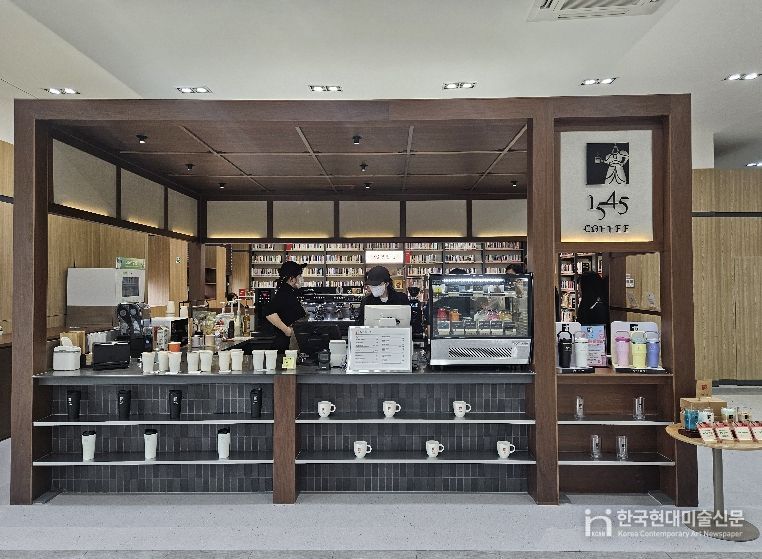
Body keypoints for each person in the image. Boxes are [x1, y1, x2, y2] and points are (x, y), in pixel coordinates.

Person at [265, 261, 307, 352]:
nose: (301, 278)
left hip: (290, 341)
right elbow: (269, 312)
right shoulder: (284, 292)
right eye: (299, 276)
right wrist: (287, 330)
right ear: (292, 279)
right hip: (285, 343)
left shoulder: (290, 291)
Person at [576, 271, 610, 345]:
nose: (579, 290)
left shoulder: (597, 307)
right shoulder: (592, 304)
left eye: (580, 286)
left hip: (594, 347)